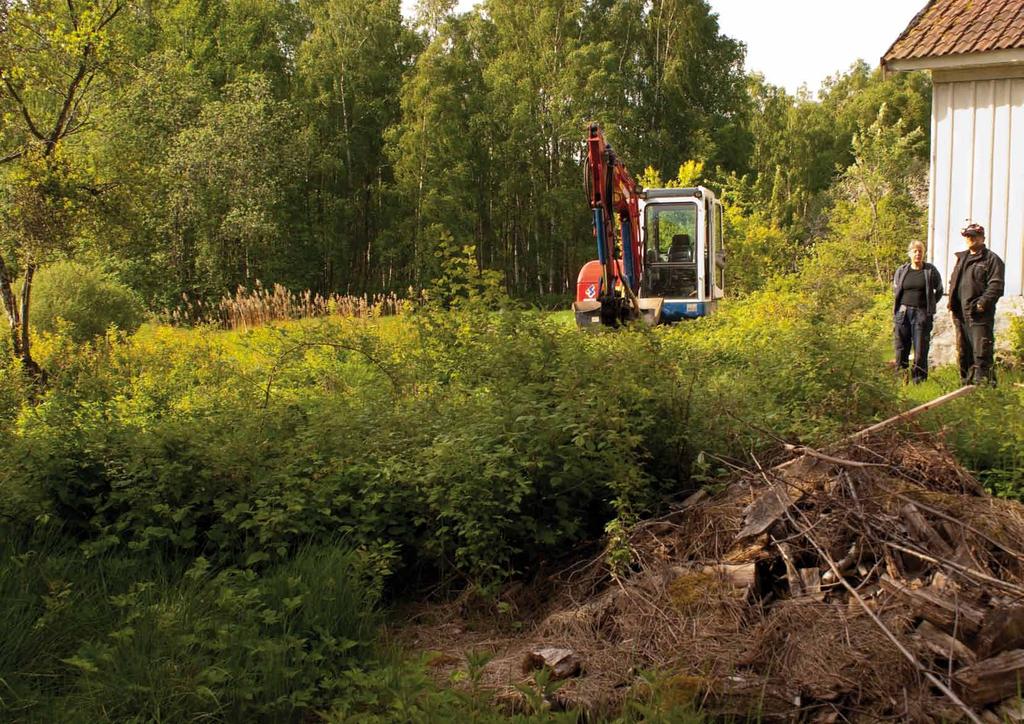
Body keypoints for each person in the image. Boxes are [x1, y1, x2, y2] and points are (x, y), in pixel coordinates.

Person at [947, 223, 1005, 386]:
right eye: (967, 236)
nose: (969, 239)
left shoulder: (991, 259)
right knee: (964, 353)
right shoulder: (961, 258)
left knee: (981, 353)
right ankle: (966, 386)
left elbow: (996, 286)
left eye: (973, 236)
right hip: (960, 314)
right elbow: (954, 281)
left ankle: (985, 389)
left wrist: (981, 304)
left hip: (979, 315)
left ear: (982, 238)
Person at [892, 240, 943, 383]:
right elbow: (896, 290)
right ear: (910, 253)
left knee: (920, 348)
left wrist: (929, 306)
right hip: (903, 313)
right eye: (915, 251)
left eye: (920, 251)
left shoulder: (930, 271)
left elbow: (939, 290)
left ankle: (918, 380)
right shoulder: (902, 271)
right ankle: (901, 379)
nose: (918, 254)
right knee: (901, 347)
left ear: (923, 253)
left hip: (921, 313)